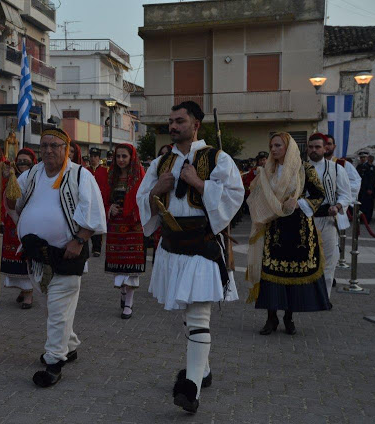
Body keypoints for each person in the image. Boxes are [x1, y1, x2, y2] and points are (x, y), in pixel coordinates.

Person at [136, 101, 243, 413]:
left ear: (196, 123)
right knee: (187, 316)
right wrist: (159, 187)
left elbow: (235, 197)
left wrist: (198, 182)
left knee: (198, 317)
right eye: (170, 121)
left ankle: (191, 388)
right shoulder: (162, 162)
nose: (173, 126)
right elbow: (144, 199)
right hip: (171, 246)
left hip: (202, 246)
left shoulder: (217, 158)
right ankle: (204, 370)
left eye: (179, 120)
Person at [6, 128, 106, 388]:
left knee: (59, 309)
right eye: (44, 145)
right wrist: (7, 180)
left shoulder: (80, 176)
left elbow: (93, 213)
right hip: (36, 255)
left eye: (54, 145)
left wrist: (79, 240)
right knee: (55, 307)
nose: (48, 150)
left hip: (67, 253)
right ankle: (69, 345)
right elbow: (13, 203)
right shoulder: (33, 174)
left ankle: (54, 362)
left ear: (67, 149)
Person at [246, 132, 330, 338]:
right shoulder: (268, 171)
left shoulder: (304, 169)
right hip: (273, 227)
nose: (273, 149)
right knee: (270, 271)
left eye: (278, 145)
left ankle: (288, 317)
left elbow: (320, 194)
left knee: (293, 273)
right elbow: (256, 195)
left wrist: (299, 203)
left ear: (288, 147)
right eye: (271, 145)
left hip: (298, 229)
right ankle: (271, 317)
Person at [100, 143, 146, 319]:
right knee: (119, 268)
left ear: (131, 157)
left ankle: (129, 303)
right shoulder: (110, 176)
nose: (120, 160)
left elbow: (144, 199)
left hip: (133, 227)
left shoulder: (139, 176)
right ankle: (123, 292)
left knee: (132, 268)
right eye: (118, 156)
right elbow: (102, 199)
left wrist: (133, 210)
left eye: (124, 156)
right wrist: (109, 208)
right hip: (116, 227)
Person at [307, 133, 352, 301]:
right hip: (306, 219)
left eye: (317, 147)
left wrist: (338, 206)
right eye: (311, 147)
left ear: (325, 148)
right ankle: (306, 296)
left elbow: (346, 195)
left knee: (328, 260)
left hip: (327, 219)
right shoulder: (300, 168)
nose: (314, 150)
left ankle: (323, 298)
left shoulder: (336, 169)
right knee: (306, 259)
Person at [2, 148, 37, 309]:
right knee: (14, 257)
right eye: (20, 160)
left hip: (30, 221)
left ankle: (28, 294)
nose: (23, 164)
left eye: (26, 161)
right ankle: (23, 290)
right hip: (12, 223)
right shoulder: (11, 176)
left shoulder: (37, 177)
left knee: (27, 257)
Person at [324, 134, 361, 200]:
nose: (326, 146)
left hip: (338, 205)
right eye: (324, 144)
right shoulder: (313, 165)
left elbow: (355, 184)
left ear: (334, 146)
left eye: (329, 144)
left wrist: (337, 190)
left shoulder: (344, 164)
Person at [86, 147, 108, 257]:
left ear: (99, 158)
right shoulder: (85, 170)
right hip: (88, 201)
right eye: (91, 156)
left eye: (95, 156)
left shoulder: (105, 170)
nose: (93, 158)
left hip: (100, 202)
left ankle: (97, 248)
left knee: (97, 224)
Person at [357, 151, 375, 222]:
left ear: (367, 158)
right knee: (361, 204)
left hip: (367, 189)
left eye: (364, 157)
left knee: (368, 204)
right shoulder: (359, 166)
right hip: (360, 189)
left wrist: (370, 188)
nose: (362, 159)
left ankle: (367, 219)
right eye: (361, 157)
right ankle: (362, 218)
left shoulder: (370, 167)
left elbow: (372, 179)